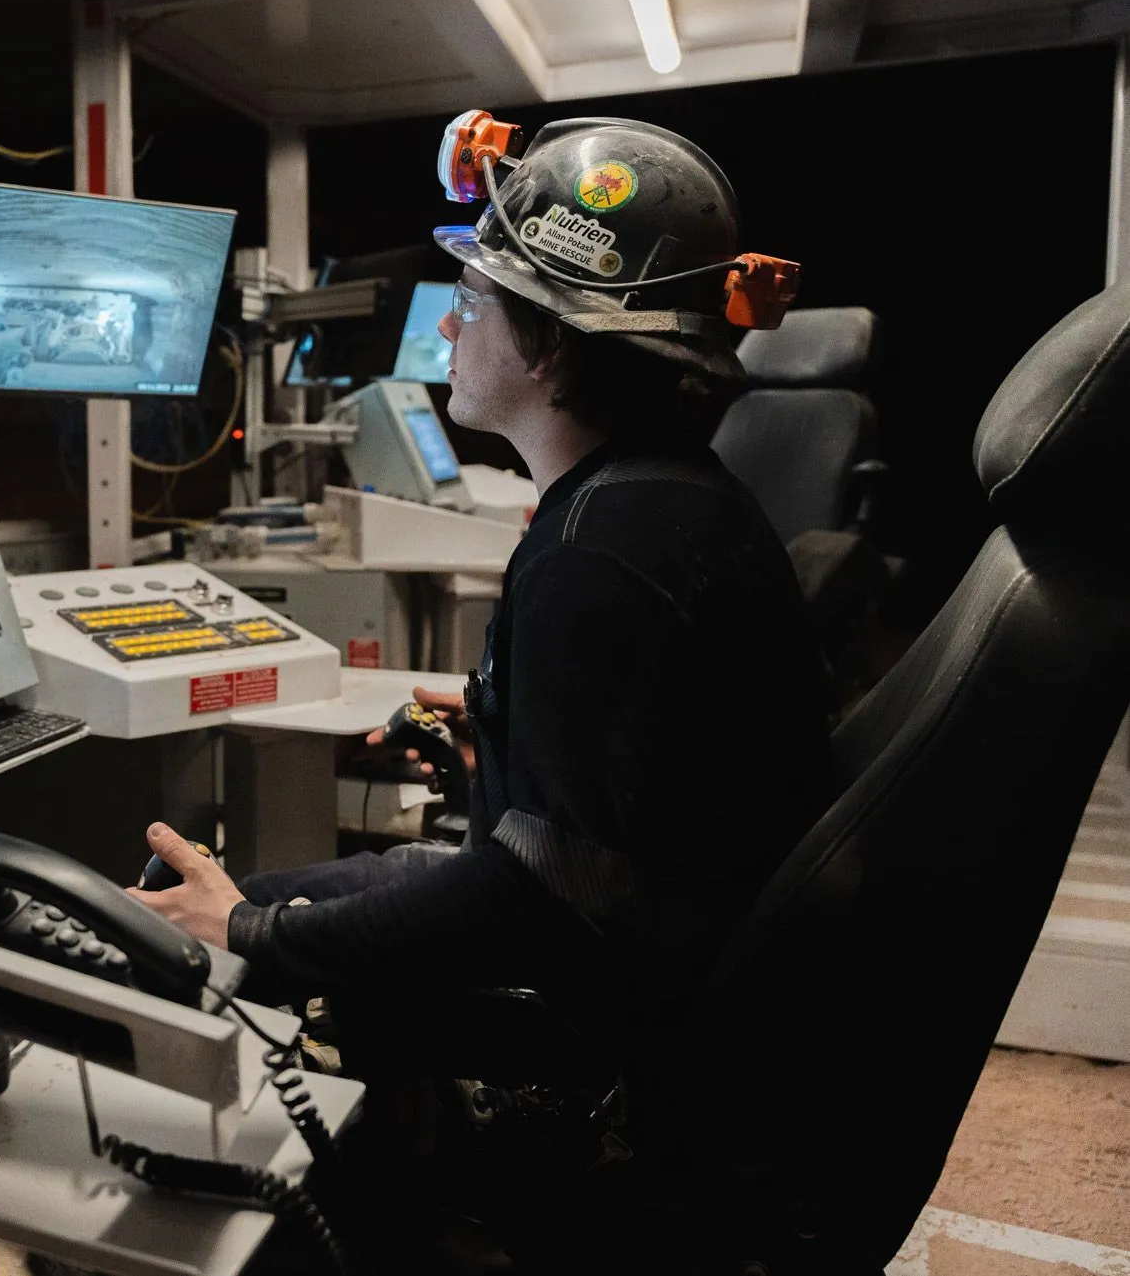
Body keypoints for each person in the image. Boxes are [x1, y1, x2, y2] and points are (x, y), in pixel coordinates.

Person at [128, 114, 828, 1269]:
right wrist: (497, 735)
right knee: (252, 894)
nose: (450, 322)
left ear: (547, 348)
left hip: (606, 1044)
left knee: (218, 923)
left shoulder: (598, 551)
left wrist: (251, 933)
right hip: (662, 977)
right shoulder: (655, 500)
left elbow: (530, 900)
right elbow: (633, 795)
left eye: (475, 299)